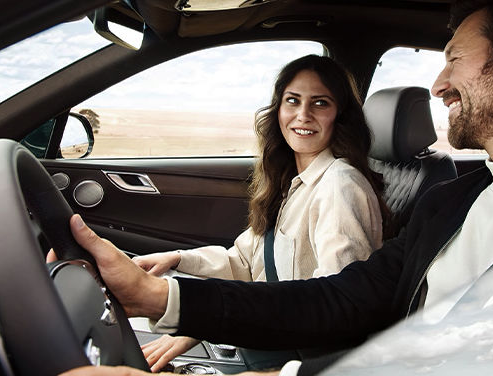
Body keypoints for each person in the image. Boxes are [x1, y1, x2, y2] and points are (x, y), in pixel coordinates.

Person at [59, 0, 493, 376]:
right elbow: (341, 299)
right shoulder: (451, 201)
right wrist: (160, 297)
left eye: (453, 58)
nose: (439, 83)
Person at [128, 55, 390, 371]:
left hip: (297, 360)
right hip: (269, 337)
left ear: (341, 116)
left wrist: (203, 322)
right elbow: (245, 262)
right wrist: (178, 259)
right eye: (293, 100)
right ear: (278, 110)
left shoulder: (340, 185)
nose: (303, 115)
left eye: (320, 103)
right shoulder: (290, 182)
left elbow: (335, 308)